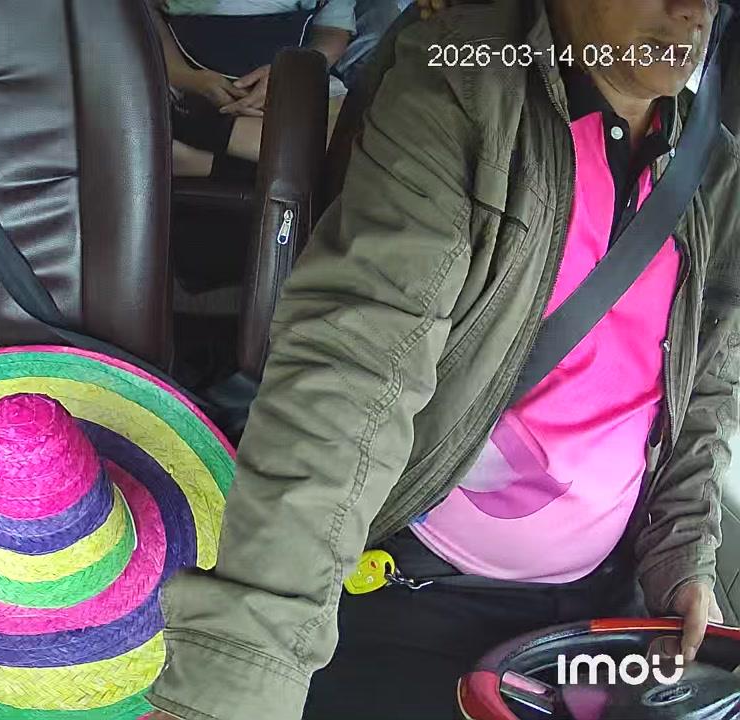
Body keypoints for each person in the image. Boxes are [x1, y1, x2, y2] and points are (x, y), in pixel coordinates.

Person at [146, 0, 740, 718]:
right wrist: (242, 666)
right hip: (419, 590)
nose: (691, 11)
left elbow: (705, 385)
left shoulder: (713, 168)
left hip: (604, 603)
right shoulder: (466, 84)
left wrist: (682, 556)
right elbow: (354, 367)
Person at [152, 0, 406, 176]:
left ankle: (206, 149)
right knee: (146, 114)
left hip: (285, 73)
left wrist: (289, 73)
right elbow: (141, 16)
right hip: (180, 70)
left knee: (365, 135)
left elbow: (332, 32)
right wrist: (186, 76)